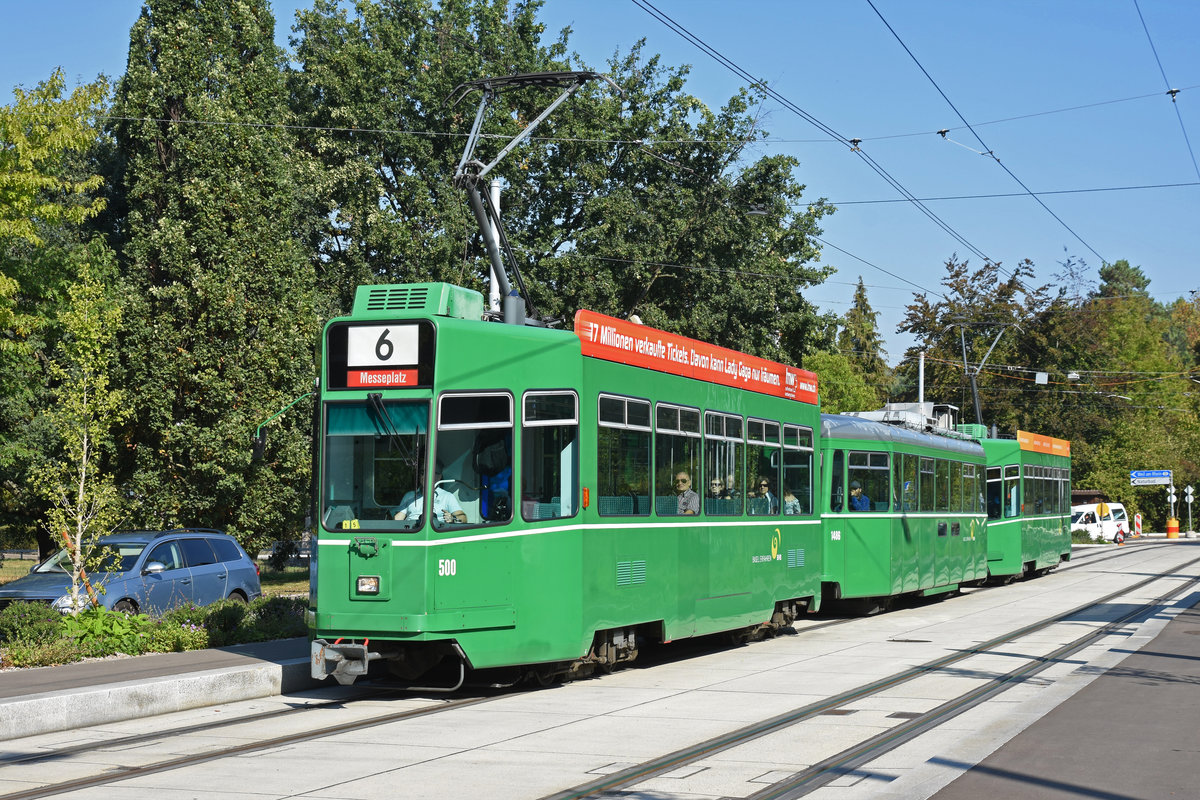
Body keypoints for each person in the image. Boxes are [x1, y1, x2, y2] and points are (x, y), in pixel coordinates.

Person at [394, 462, 468, 524]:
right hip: (412, 532)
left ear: (439, 476)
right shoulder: (409, 496)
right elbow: (397, 520)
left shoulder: (447, 496)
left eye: (430, 472)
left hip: (435, 533)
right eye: (422, 472)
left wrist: (452, 519)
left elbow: (463, 518)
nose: (425, 475)